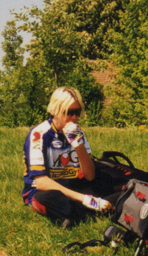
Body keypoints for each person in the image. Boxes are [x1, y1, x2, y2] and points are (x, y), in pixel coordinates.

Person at [22, 87, 115, 227]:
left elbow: (90, 175)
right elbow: (41, 182)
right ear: (55, 110)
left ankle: (75, 215)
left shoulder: (79, 133)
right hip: (44, 191)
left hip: (72, 186)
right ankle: (86, 211)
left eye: (77, 112)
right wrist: (85, 199)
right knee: (49, 198)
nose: (75, 118)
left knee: (108, 182)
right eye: (69, 112)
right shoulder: (39, 134)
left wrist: (78, 145)